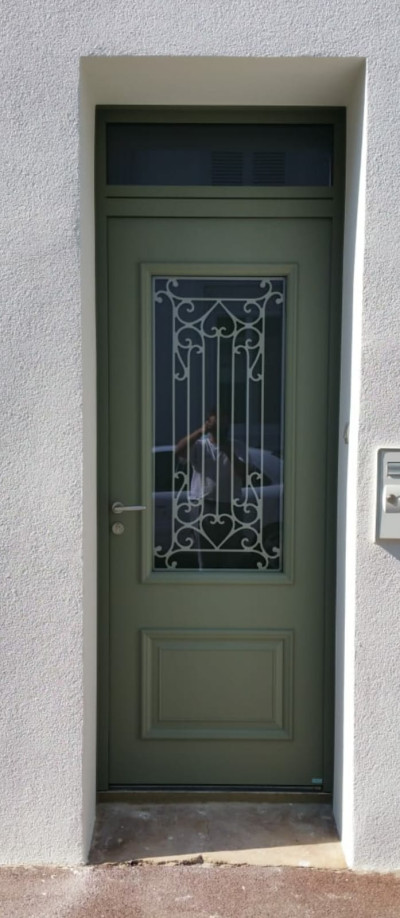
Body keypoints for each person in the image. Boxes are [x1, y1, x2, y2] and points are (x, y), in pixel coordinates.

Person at [175, 411, 246, 568]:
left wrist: (227, 450)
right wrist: (199, 432)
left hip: (230, 505)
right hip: (202, 504)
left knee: (231, 554)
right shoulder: (200, 445)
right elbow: (179, 451)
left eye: (224, 425)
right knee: (205, 552)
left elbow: (243, 473)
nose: (221, 428)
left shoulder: (237, 446)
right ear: (208, 425)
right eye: (216, 424)